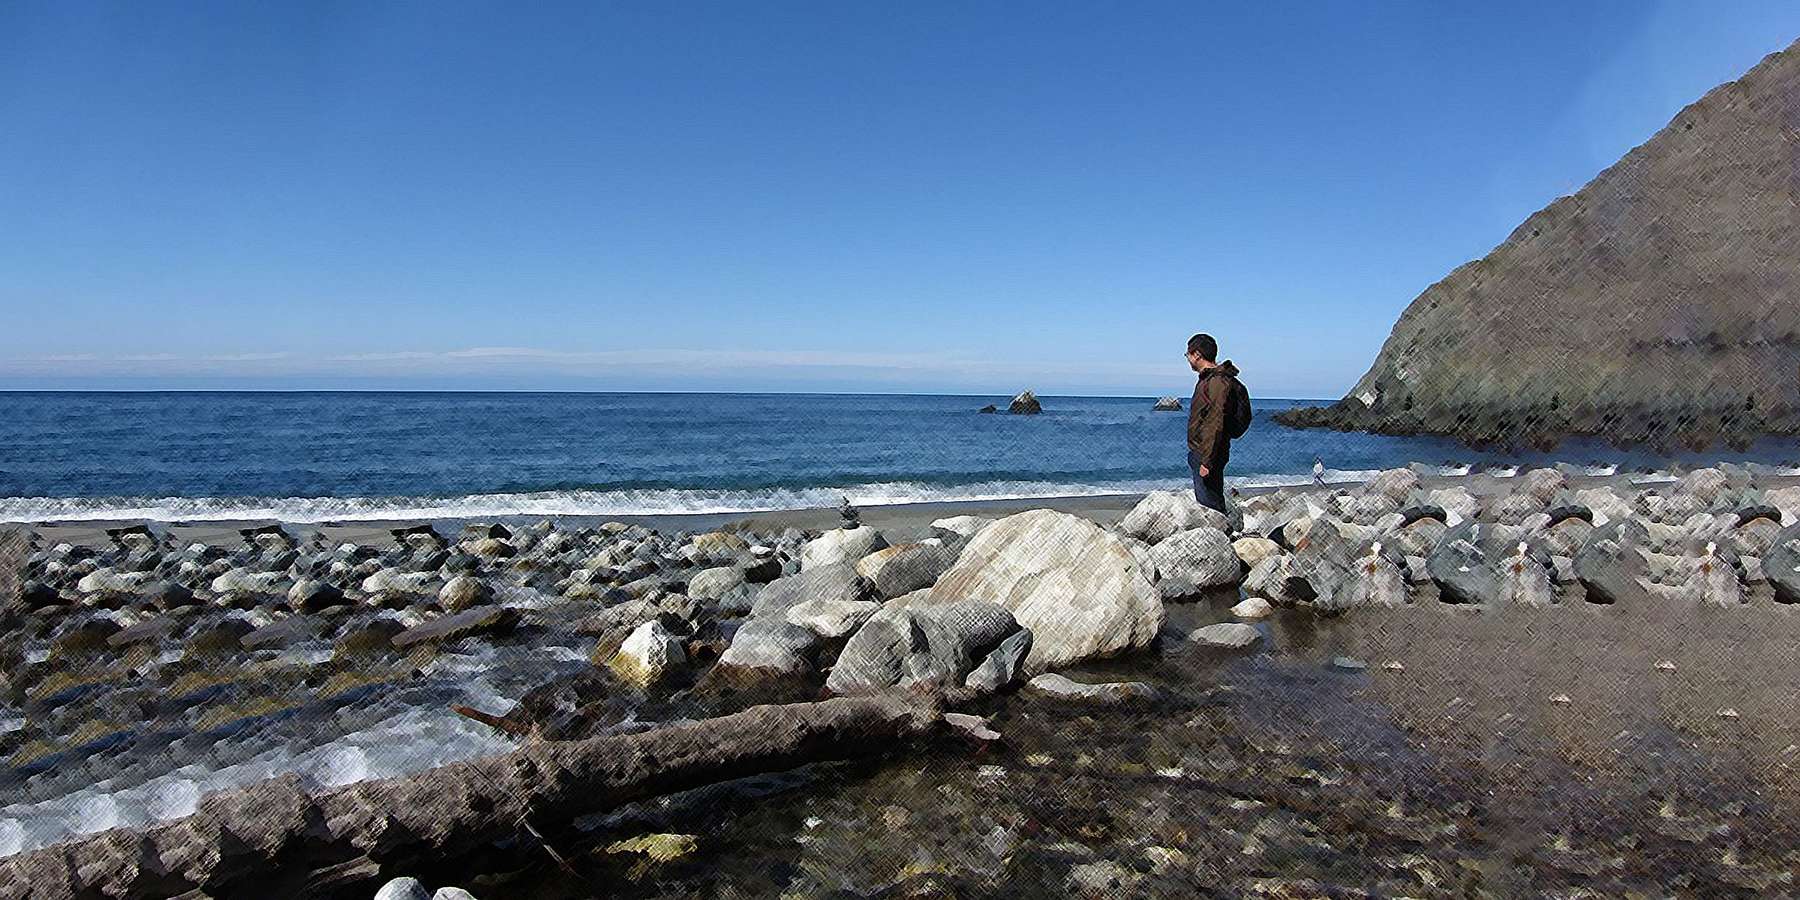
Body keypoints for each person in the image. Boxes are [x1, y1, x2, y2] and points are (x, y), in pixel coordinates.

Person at [1185, 332, 1244, 514]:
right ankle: (1221, 527)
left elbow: (1215, 421)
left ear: (1197, 355)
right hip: (1207, 451)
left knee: (1210, 505)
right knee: (1211, 500)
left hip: (1207, 453)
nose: (1187, 359)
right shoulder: (1211, 380)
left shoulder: (1217, 382)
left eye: (1188, 354)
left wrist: (1207, 461)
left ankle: (1221, 529)